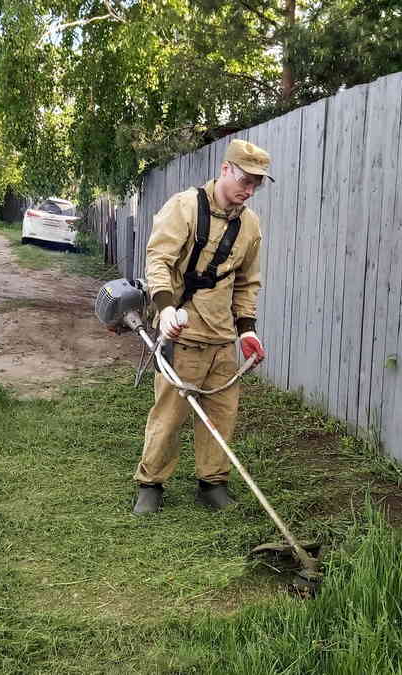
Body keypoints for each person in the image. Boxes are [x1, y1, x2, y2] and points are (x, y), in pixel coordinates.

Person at [133, 139, 272, 514]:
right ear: (226, 169)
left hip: (222, 338)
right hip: (182, 333)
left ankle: (212, 483)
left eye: (257, 183)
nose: (250, 189)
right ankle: (151, 483)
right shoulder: (185, 207)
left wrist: (247, 330)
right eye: (245, 179)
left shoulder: (250, 225)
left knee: (222, 414)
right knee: (169, 415)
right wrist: (164, 309)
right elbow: (158, 259)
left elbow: (246, 282)